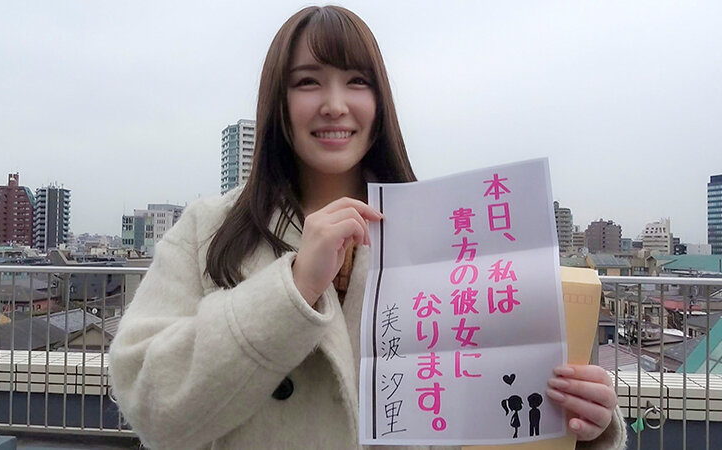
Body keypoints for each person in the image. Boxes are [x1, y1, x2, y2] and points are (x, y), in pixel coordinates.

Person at [109, 5, 627, 449]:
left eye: (357, 81)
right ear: (279, 104)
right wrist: (292, 288)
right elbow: (150, 405)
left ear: (379, 103)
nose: (335, 105)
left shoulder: (445, 236)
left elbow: (487, 394)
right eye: (308, 81)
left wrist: (584, 421)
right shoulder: (209, 229)